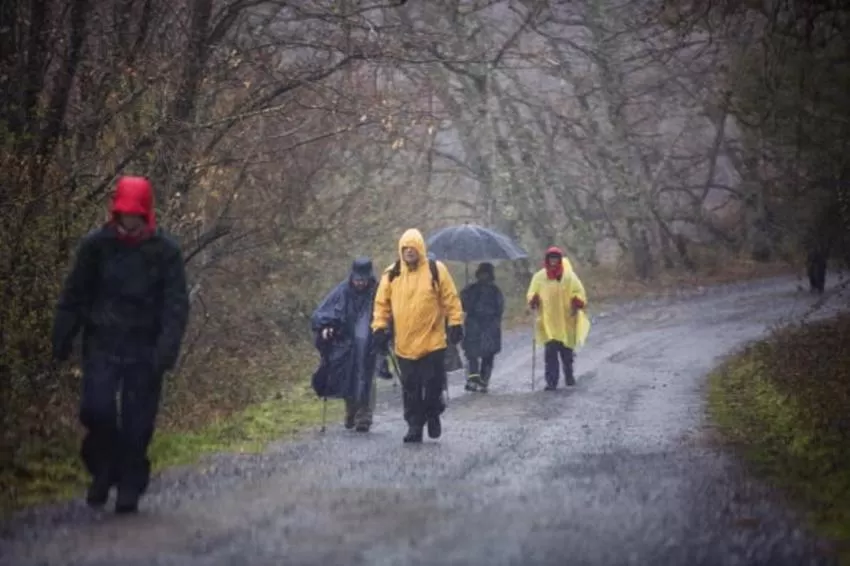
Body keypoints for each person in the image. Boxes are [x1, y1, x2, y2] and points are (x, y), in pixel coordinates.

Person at [51, 176, 190, 514]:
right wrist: (62, 337)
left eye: (135, 215)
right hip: (103, 342)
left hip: (145, 347)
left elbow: (175, 305)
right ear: (116, 213)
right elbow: (75, 295)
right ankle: (104, 468)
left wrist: (165, 350)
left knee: (137, 423)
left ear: (146, 214)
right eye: (124, 215)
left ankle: (129, 484)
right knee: (95, 410)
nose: (129, 222)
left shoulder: (165, 252)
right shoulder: (96, 246)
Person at [371, 229, 464, 443]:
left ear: (420, 248)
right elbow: (381, 305)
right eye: (405, 248)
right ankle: (414, 425)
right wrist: (379, 328)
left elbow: (451, 298)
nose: (409, 252)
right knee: (410, 388)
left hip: (433, 341)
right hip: (404, 343)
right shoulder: (392, 273)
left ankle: (433, 413)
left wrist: (455, 322)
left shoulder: (435, 270)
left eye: (412, 248)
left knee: (433, 385)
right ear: (400, 250)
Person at [311, 257, 381, 432]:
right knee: (349, 377)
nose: (360, 283)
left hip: (369, 342)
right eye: (357, 279)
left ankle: (364, 414)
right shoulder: (342, 291)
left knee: (366, 376)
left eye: (363, 279)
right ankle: (352, 410)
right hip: (347, 343)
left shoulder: (378, 291)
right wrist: (326, 327)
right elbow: (321, 313)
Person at [526, 246, 590, 391]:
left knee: (566, 352)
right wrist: (533, 299)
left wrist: (577, 301)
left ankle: (569, 375)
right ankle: (551, 382)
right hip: (548, 321)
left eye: (556, 258)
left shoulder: (569, 276)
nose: (553, 261)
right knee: (550, 354)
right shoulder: (539, 277)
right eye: (551, 258)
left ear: (560, 259)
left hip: (566, 319)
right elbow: (531, 292)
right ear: (547, 260)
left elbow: (579, 291)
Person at [461, 262, 505, 393]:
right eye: (482, 273)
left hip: (487, 326)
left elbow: (499, 309)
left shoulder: (493, 291)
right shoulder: (472, 289)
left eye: (486, 273)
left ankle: (482, 380)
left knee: (486, 354)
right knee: (473, 353)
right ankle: (475, 379)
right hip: (476, 325)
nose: (483, 276)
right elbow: (464, 305)